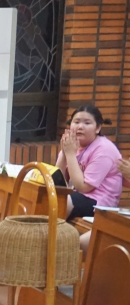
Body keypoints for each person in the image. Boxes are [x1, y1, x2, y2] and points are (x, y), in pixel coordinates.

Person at [55, 105, 124, 253]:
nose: (80, 127)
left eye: (87, 123)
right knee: (53, 196)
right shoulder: (73, 145)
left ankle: (51, 243)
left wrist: (70, 154)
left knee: (62, 201)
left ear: (98, 128)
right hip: (79, 196)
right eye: (76, 122)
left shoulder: (104, 149)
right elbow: (58, 181)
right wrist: (65, 153)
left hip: (99, 202)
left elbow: (84, 187)